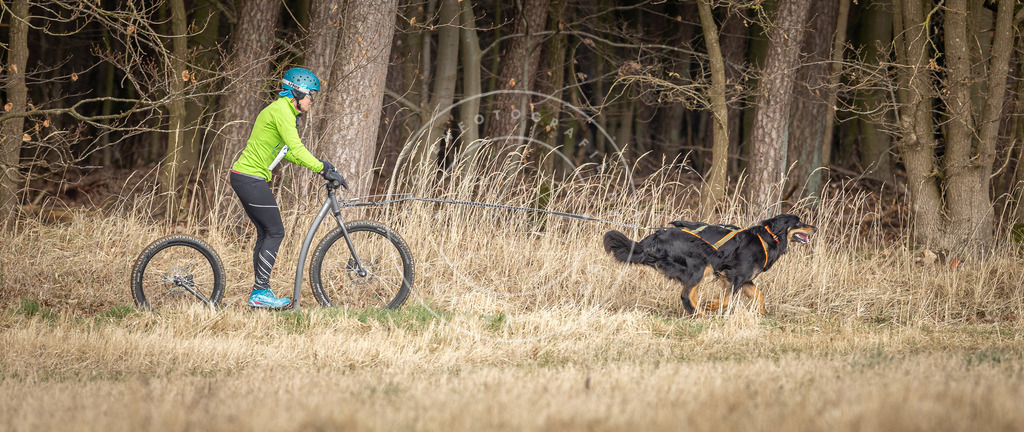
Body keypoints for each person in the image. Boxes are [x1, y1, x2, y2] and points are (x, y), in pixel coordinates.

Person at [229, 67, 347, 309]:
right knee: (275, 232)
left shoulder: (283, 111)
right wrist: (322, 170)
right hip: (250, 178)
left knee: (267, 234)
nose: (312, 101)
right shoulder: (282, 111)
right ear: (297, 92)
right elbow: (297, 148)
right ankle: (260, 293)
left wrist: (321, 164)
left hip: (247, 177)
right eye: (310, 95)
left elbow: (287, 152)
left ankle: (260, 292)